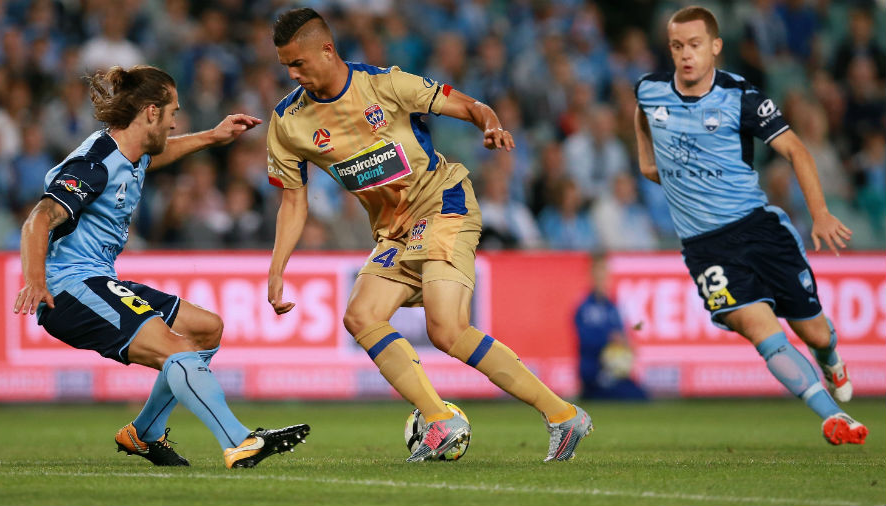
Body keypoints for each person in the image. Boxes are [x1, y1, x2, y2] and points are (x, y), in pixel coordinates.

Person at [265, 8, 592, 463]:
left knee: (446, 327)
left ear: (327, 49)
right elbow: (293, 201)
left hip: (442, 203)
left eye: (298, 63)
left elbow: (470, 105)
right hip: (394, 232)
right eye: (286, 67)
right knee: (361, 316)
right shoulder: (288, 122)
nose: (293, 74)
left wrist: (490, 124)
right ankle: (439, 418)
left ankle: (563, 416)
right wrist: (277, 268)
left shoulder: (386, 84)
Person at [12, 65, 310, 468]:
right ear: (151, 112)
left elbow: (158, 155)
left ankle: (144, 432)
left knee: (206, 329)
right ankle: (239, 441)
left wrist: (212, 136)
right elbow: (40, 218)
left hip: (99, 280)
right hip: (70, 288)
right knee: (176, 349)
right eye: (173, 113)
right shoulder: (93, 164)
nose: (175, 122)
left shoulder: (131, 153)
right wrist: (35, 280)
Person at [634, 6, 867, 445]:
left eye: (695, 45)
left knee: (814, 330)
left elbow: (797, 150)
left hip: (759, 231)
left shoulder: (742, 97)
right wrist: (648, 162)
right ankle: (833, 416)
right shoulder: (649, 91)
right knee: (764, 334)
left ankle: (831, 359)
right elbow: (643, 120)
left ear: (716, 47)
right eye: (677, 46)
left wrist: (819, 213)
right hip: (706, 249)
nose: (686, 55)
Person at [574, 254, 647, 400]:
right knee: (632, 397)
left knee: (641, 395)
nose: (603, 278)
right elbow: (585, 341)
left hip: (614, 373)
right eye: (599, 272)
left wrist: (626, 344)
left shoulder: (612, 307)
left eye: (605, 272)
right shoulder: (584, 308)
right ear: (592, 275)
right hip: (594, 374)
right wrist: (609, 340)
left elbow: (622, 335)